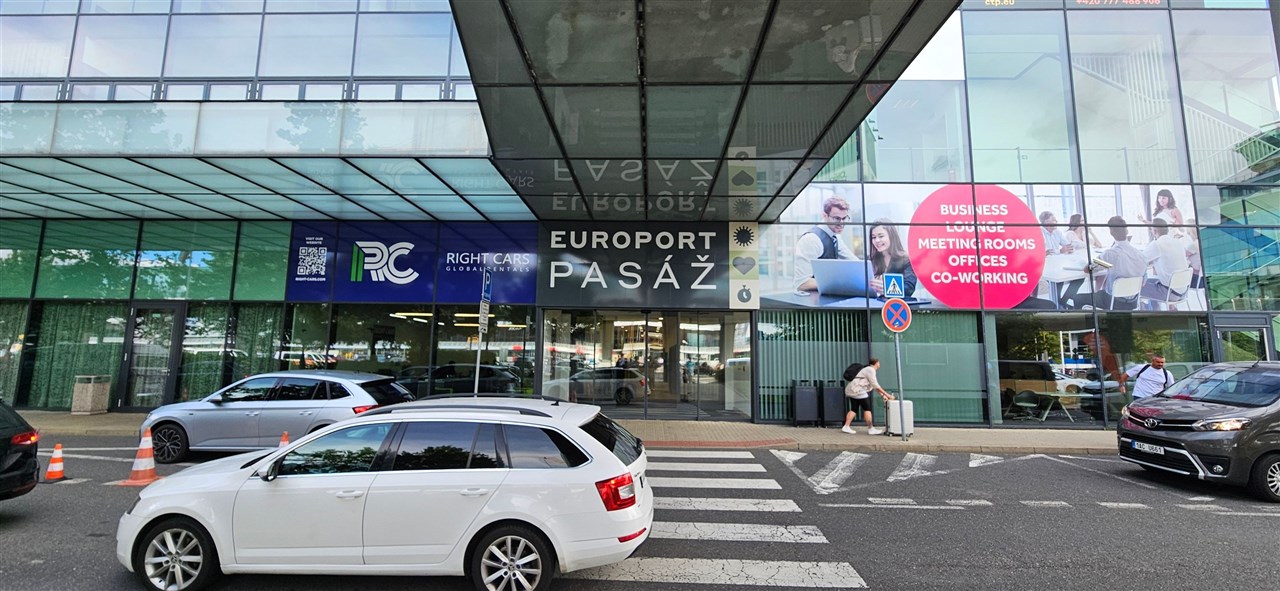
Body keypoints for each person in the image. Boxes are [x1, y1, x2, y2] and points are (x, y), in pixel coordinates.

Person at [1061, 216, 1147, 309]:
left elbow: (1088, 269)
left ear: (1111, 232)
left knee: (1078, 298)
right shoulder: (1141, 256)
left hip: (1113, 301)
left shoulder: (1110, 254)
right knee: (1101, 291)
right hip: (1133, 303)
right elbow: (1143, 283)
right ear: (1127, 231)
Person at [793, 196, 859, 292]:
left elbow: (854, 263)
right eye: (836, 218)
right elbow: (801, 283)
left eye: (844, 218)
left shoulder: (835, 236)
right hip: (811, 298)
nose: (841, 223)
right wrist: (840, 282)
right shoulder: (811, 240)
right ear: (824, 216)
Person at [1140, 219, 1191, 306]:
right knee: (1148, 281)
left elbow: (1139, 260)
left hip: (1169, 293)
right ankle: (1154, 309)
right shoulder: (1178, 242)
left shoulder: (1157, 244)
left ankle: (1144, 311)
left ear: (1154, 231)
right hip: (1182, 291)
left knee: (1134, 287)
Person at [841, 358, 895, 435]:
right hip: (858, 390)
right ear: (876, 363)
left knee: (854, 409)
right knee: (867, 409)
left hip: (853, 389)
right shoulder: (870, 370)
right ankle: (871, 429)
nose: (879, 364)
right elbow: (875, 385)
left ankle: (846, 426)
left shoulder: (868, 369)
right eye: (879, 362)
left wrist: (882, 395)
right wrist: (887, 395)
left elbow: (873, 385)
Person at [866, 220, 916, 297]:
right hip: (874, 302)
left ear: (892, 236)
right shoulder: (870, 260)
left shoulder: (906, 260)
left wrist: (888, 288)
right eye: (873, 237)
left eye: (881, 236)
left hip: (895, 303)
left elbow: (909, 288)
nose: (877, 240)